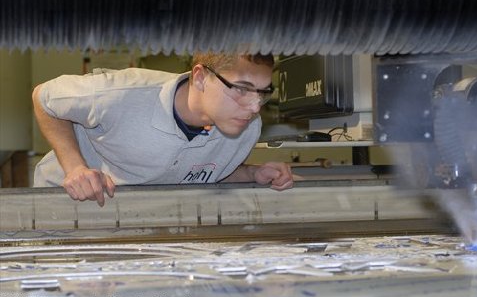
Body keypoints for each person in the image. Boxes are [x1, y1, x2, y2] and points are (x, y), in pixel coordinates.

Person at [33, 52, 294, 206]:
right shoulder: (119, 94)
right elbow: (43, 98)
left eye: (263, 93)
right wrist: (75, 167)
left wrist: (251, 174)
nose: (255, 106)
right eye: (242, 89)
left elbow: (199, 173)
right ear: (201, 77)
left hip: (139, 223)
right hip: (65, 207)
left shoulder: (246, 129)